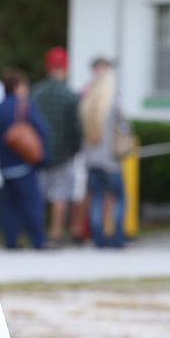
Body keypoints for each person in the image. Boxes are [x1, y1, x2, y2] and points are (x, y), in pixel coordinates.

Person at [0, 69, 48, 249]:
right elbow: (41, 128)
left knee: (9, 205)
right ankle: (38, 240)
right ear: (19, 86)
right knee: (31, 203)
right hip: (23, 162)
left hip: (5, 164)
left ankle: (11, 241)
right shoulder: (24, 105)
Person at [32, 47, 81, 247]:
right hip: (63, 154)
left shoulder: (37, 92)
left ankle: (38, 233)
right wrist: (74, 149)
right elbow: (75, 128)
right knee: (60, 195)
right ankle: (56, 234)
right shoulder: (70, 95)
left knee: (39, 196)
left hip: (39, 153)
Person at [81, 69, 129, 248]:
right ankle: (117, 237)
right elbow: (125, 128)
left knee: (97, 199)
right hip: (110, 161)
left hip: (92, 161)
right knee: (120, 198)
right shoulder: (113, 104)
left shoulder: (87, 105)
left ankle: (98, 238)